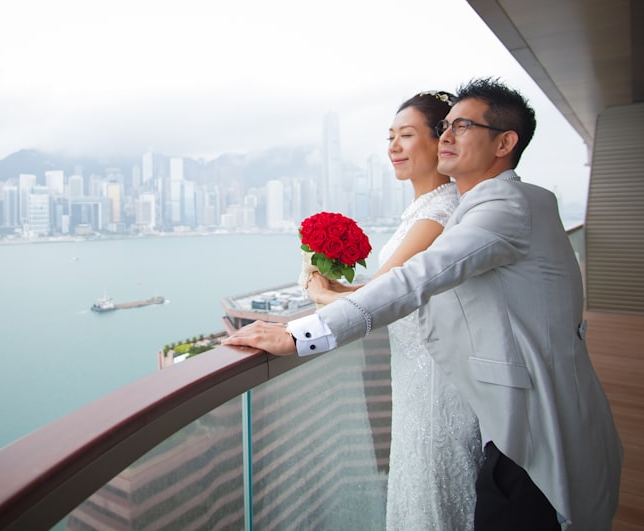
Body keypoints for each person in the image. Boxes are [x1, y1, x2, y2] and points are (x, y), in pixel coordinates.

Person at [223, 77, 623, 530]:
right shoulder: (498, 202)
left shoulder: (503, 207)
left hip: (530, 430)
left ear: (504, 143)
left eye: (462, 126)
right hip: (508, 417)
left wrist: (300, 334)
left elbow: (416, 278)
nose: (446, 137)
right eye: (445, 126)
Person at [312, 90, 482, 529]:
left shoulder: (440, 212)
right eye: (390, 136)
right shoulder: (423, 210)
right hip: (413, 374)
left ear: (441, 141)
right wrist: (340, 286)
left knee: (433, 492)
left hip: (434, 383)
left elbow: (388, 295)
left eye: (406, 135)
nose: (393, 147)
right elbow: (390, 286)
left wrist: (324, 300)